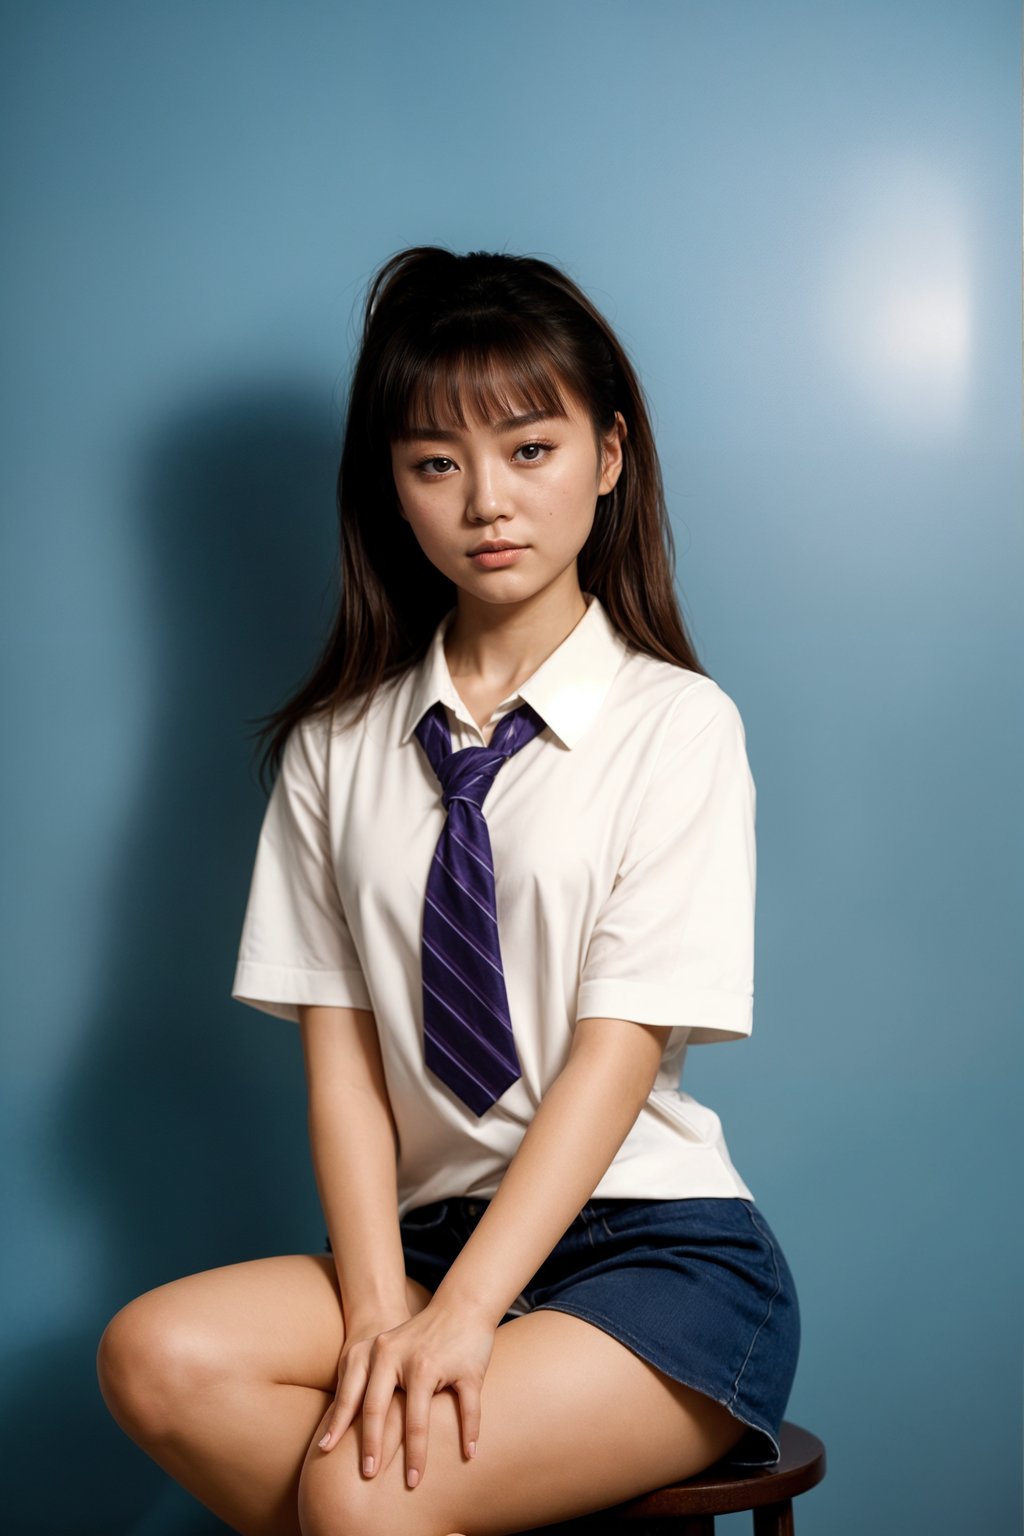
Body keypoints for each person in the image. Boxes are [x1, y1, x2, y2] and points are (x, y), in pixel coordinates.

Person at [97, 245, 801, 1536]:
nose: (488, 501)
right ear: (394, 488)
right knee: (155, 1354)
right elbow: (343, 1071)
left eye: (530, 449)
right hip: (422, 1235)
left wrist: (470, 1314)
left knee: (362, 1488)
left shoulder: (678, 726)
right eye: (436, 462)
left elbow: (617, 1054)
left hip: (650, 1245)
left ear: (609, 452)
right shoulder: (334, 748)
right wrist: (382, 1306)